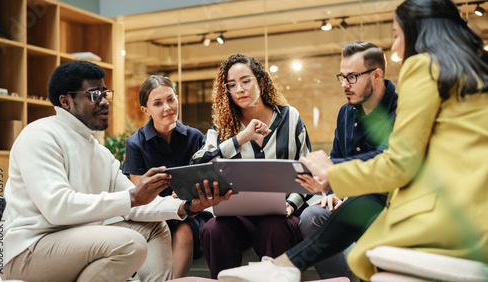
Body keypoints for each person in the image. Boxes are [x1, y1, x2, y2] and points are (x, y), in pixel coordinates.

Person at [217, 0, 488, 281]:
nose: (394, 48)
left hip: (449, 219)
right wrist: (332, 183)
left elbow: (400, 163)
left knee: (370, 199)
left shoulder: (424, 67)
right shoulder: (474, 72)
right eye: (342, 77)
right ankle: (287, 266)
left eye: (396, 34)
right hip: (478, 216)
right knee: (335, 208)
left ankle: (285, 267)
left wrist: (331, 171)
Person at [0, 60, 230, 282]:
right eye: (94, 94)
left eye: (105, 93)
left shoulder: (99, 152)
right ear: (65, 101)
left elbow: (138, 203)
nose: (104, 101)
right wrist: (132, 197)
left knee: (156, 226)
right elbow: (58, 208)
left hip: (72, 241)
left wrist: (186, 207)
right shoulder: (40, 135)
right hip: (27, 250)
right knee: (130, 243)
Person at [191, 53, 312, 279]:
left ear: (261, 82)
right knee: (212, 230)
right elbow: (198, 163)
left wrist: (291, 204)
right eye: (232, 85)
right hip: (238, 217)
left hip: (282, 215)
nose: (239, 89)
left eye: (246, 81)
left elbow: (308, 171)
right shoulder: (222, 128)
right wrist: (241, 138)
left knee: (274, 229)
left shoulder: (290, 117)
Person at [296, 41, 398, 279]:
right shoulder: (346, 112)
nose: (344, 84)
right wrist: (333, 191)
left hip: (388, 204)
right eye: (342, 76)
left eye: (352, 77)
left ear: (377, 74)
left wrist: (336, 175)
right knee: (312, 216)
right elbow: (337, 155)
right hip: (349, 200)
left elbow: (387, 159)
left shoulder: (402, 110)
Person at [122, 75, 224, 278]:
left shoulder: (195, 137)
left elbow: (207, 181)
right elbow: (141, 197)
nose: (167, 107)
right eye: (157, 103)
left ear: (177, 99)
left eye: (170, 99)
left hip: (192, 214)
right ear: (146, 110)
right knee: (165, 229)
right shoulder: (135, 144)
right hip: (155, 216)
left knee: (185, 229)